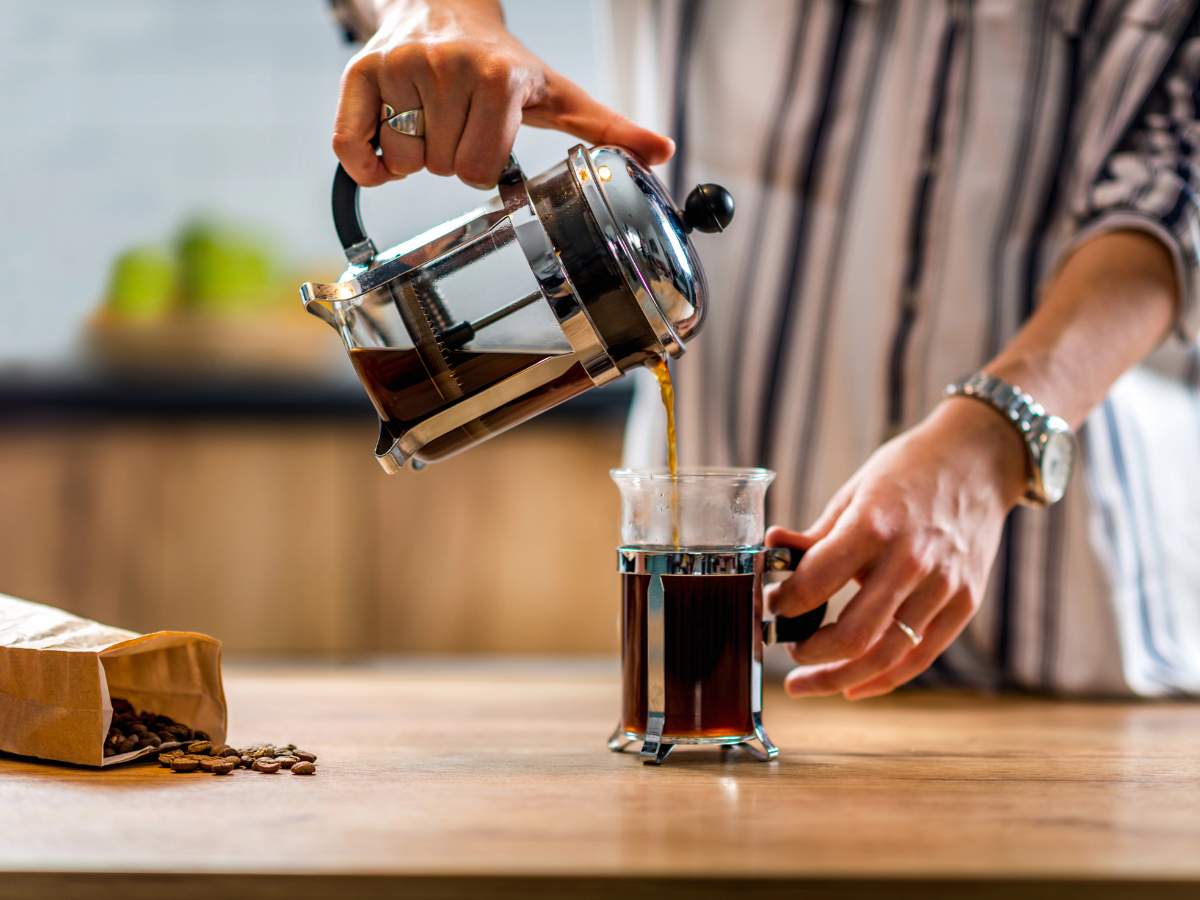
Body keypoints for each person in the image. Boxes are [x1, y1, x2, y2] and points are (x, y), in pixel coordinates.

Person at [327, 0, 1200, 698]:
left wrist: (993, 442)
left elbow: (1175, 192)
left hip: (1070, 631)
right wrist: (438, 11)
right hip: (727, 661)